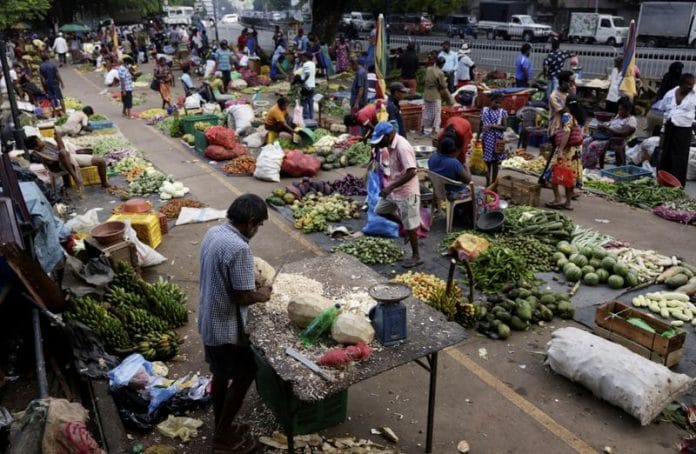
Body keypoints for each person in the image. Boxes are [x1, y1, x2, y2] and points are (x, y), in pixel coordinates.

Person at [198, 194, 271, 454]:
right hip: (226, 326)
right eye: (259, 225)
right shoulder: (240, 247)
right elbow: (242, 295)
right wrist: (262, 294)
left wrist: (252, 280)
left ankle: (222, 425)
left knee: (220, 373)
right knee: (244, 375)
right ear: (250, 222)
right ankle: (221, 438)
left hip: (208, 319)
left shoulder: (214, 232)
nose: (257, 231)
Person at [371, 122, 422, 269]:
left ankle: (416, 256)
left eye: (380, 141)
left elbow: (412, 171)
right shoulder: (389, 144)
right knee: (380, 209)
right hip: (395, 190)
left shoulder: (402, 147)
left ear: (388, 136)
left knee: (411, 225)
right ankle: (402, 226)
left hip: (407, 191)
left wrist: (390, 187)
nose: (380, 144)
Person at [25, 130, 109, 191]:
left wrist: (58, 140)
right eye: (39, 141)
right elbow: (60, 155)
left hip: (70, 158)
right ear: (36, 147)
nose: (41, 140)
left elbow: (61, 151)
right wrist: (59, 140)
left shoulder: (45, 144)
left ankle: (104, 183)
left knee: (101, 161)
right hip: (60, 166)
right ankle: (74, 176)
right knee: (63, 153)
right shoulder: (39, 154)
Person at [545, 96, 585, 210]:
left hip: (567, 150)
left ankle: (557, 198)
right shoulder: (577, 116)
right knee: (569, 176)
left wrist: (561, 149)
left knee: (553, 172)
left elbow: (566, 132)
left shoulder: (567, 116)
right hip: (575, 151)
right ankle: (568, 203)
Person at [659, 73, 696, 187]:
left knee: (679, 158)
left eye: (692, 84)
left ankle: (677, 184)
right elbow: (663, 108)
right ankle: (663, 181)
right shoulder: (670, 94)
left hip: (683, 131)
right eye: (688, 84)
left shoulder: (694, 95)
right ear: (681, 83)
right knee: (666, 155)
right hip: (669, 128)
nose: (690, 87)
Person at [582, 98, 636, 169]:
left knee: (592, 146)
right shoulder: (618, 116)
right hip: (604, 136)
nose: (619, 111)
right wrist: (603, 126)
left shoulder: (631, 120)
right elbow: (610, 124)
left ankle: (588, 166)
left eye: (621, 110)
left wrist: (607, 128)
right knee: (585, 142)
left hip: (614, 140)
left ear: (628, 111)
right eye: (618, 109)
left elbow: (624, 133)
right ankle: (582, 162)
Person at [428, 133, 472, 200]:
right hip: (453, 194)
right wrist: (467, 167)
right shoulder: (454, 163)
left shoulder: (432, 157)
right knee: (479, 191)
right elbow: (469, 180)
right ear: (454, 151)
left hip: (438, 191)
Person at [421, 56, 454, 137]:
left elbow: (425, 79)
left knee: (426, 112)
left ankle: (424, 129)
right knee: (437, 114)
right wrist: (446, 80)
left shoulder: (429, 69)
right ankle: (435, 131)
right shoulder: (440, 73)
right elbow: (443, 85)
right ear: (442, 64)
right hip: (435, 95)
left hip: (426, 94)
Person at [481, 93, 509, 186]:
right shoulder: (484, 110)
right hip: (487, 139)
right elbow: (480, 124)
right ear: (491, 101)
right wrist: (477, 137)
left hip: (498, 140)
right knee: (487, 161)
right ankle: (487, 182)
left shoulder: (502, 112)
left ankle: (493, 183)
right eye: (496, 102)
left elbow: (505, 127)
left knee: (495, 162)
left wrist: (492, 126)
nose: (497, 104)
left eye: (499, 103)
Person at [548, 70, 576, 138]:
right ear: (564, 82)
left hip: (568, 127)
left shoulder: (568, 93)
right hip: (557, 129)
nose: (573, 84)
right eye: (571, 81)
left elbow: (576, 107)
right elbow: (566, 112)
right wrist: (573, 97)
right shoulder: (554, 96)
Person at [300, 52, 316, 119]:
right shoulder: (313, 64)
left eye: (303, 57)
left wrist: (302, 81)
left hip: (306, 86)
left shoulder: (306, 64)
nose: (302, 58)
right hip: (312, 85)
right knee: (310, 103)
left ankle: (306, 118)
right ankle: (311, 117)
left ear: (306, 57)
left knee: (303, 103)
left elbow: (307, 74)